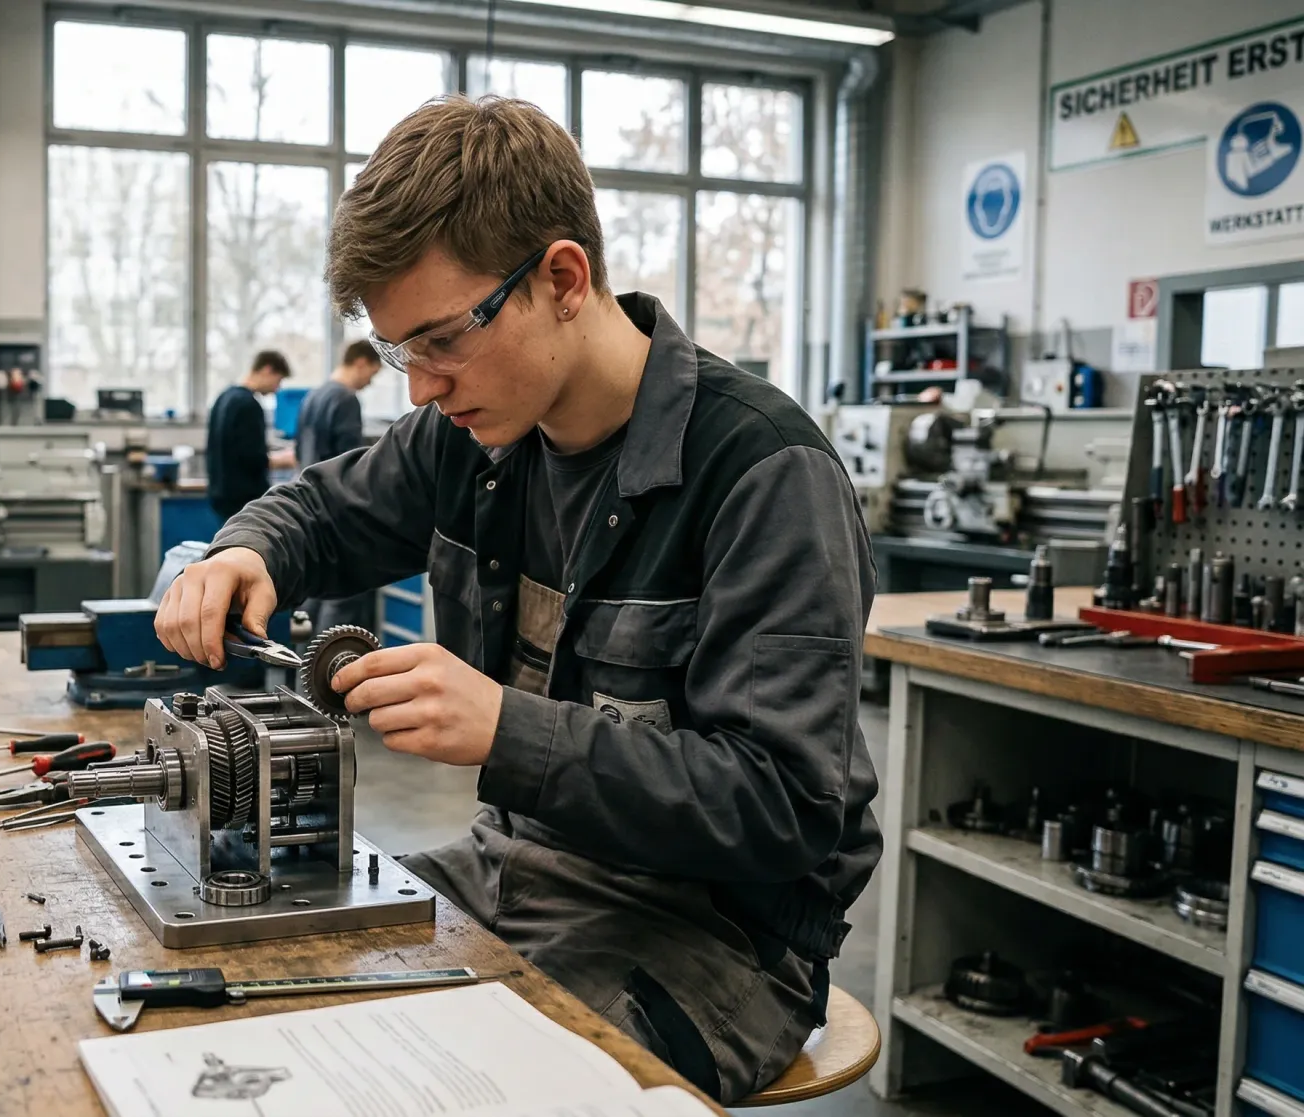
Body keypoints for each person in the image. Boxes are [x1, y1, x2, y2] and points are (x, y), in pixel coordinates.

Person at [154, 95, 879, 1103]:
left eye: (441, 340)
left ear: (562, 278)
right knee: (243, 1015)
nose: (418, 388)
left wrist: (508, 729)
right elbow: (322, 509)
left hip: (709, 938)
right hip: (508, 872)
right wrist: (245, 551)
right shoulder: (473, 436)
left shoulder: (761, 474)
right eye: (401, 350)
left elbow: (781, 809)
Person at [296, 340, 384, 631]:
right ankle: (329, 672)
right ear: (360, 362)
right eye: (371, 374)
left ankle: (303, 670)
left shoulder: (314, 396)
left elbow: (299, 451)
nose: (369, 383)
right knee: (342, 602)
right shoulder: (346, 399)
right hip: (339, 513)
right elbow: (351, 466)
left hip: (312, 508)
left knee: (315, 596)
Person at [204, 350, 292, 523]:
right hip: (244, 501)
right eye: (279, 380)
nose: (277, 389)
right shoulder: (248, 405)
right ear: (267, 370)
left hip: (221, 496)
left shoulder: (224, 397)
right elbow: (253, 458)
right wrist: (284, 460)